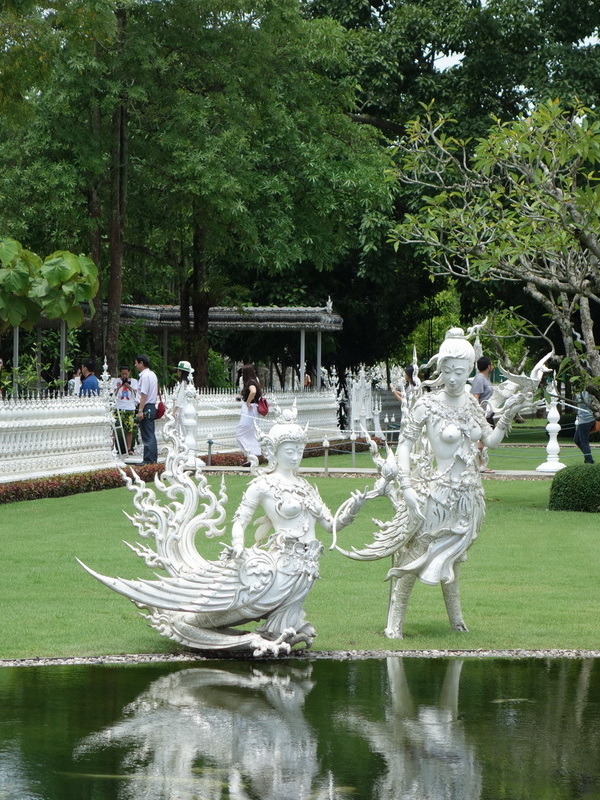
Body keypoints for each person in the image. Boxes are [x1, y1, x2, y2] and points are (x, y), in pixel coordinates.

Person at [347, 328, 528, 639]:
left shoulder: (471, 405)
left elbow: (491, 440)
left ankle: (456, 619)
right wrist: (405, 487)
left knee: (454, 560)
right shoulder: (427, 405)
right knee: (415, 557)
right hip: (437, 494)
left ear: (470, 370)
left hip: (468, 497)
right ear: (440, 370)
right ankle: (395, 621)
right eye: (447, 371)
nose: (454, 378)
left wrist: (509, 413)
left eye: (460, 372)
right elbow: (404, 445)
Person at [235, 363, 262, 466]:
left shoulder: (250, 382)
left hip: (249, 409)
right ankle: (252, 458)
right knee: (251, 434)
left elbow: (253, 391)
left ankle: (250, 454)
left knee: (240, 433)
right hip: (254, 409)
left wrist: (247, 402)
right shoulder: (255, 380)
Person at [135, 354, 159, 464]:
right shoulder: (152, 374)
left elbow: (143, 394)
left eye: (136, 363)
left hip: (146, 405)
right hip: (151, 405)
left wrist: (140, 410)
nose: (135, 365)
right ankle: (152, 458)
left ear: (141, 363)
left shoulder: (144, 376)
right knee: (150, 433)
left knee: (147, 434)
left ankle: (148, 460)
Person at [113, 365, 138, 456]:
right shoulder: (116, 381)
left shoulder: (134, 381)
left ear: (129, 373)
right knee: (114, 428)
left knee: (129, 429)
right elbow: (112, 395)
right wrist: (118, 388)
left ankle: (128, 448)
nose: (124, 376)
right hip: (118, 407)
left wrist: (129, 387)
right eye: (123, 374)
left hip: (129, 407)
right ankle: (112, 448)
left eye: (126, 374)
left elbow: (137, 394)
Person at [574, 387, 596, 464]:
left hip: (586, 420)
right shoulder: (582, 394)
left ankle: (589, 460)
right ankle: (588, 457)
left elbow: (582, 404)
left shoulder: (583, 394)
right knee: (577, 440)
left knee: (584, 442)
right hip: (583, 420)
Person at [171, 360, 193, 438]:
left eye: (178, 370)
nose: (177, 372)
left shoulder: (184, 384)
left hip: (183, 411)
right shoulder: (185, 384)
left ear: (181, 371)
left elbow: (179, 399)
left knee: (184, 431)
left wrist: (173, 411)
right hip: (183, 411)